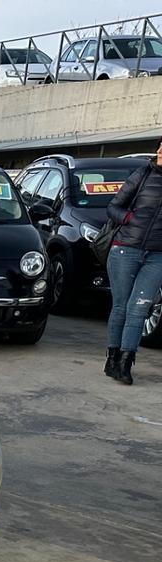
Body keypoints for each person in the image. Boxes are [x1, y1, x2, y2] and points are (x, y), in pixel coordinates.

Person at [104, 140, 162, 385]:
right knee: (121, 307)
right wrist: (129, 218)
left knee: (139, 308)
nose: (160, 151)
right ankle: (112, 359)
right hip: (125, 250)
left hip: (157, 256)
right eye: (160, 147)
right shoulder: (143, 174)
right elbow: (113, 207)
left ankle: (126, 363)